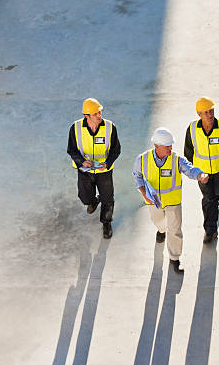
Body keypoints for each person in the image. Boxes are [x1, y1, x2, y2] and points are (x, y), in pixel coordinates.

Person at [133, 127, 208, 274]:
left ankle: (175, 258)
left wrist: (200, 175)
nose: (170, 148)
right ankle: (161, 230)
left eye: (171, 145)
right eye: (167, 146)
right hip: (153, 202)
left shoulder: (176, 159)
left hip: (173, 203)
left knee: (175, 230)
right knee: (159, 222)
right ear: (156, 146)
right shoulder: (142, 159)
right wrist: (144, 193)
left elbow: (190, 169)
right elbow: (137, 176)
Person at [184, 97, 219, 243]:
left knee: (217, 194)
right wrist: (195, 171)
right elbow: (188, 151)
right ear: (199, 114)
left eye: (211, 111)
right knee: (208, 199)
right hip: (202, 173)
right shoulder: (192, 128)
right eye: (206, 112)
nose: (209, 114)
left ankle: (215, 206)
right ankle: (210, 231)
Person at [67, 98, 121, 239]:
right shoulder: (76, 128)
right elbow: (71, 150)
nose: (99, 116)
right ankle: (92, 201)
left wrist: (107, 163)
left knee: (107, 198)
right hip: (85, 171)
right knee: (85, 197)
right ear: (87, 116)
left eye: (100, 112)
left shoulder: (110, 127)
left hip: (104, 171)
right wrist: (82, 162)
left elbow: (116, 150)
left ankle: (106, 223)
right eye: (96, 114)